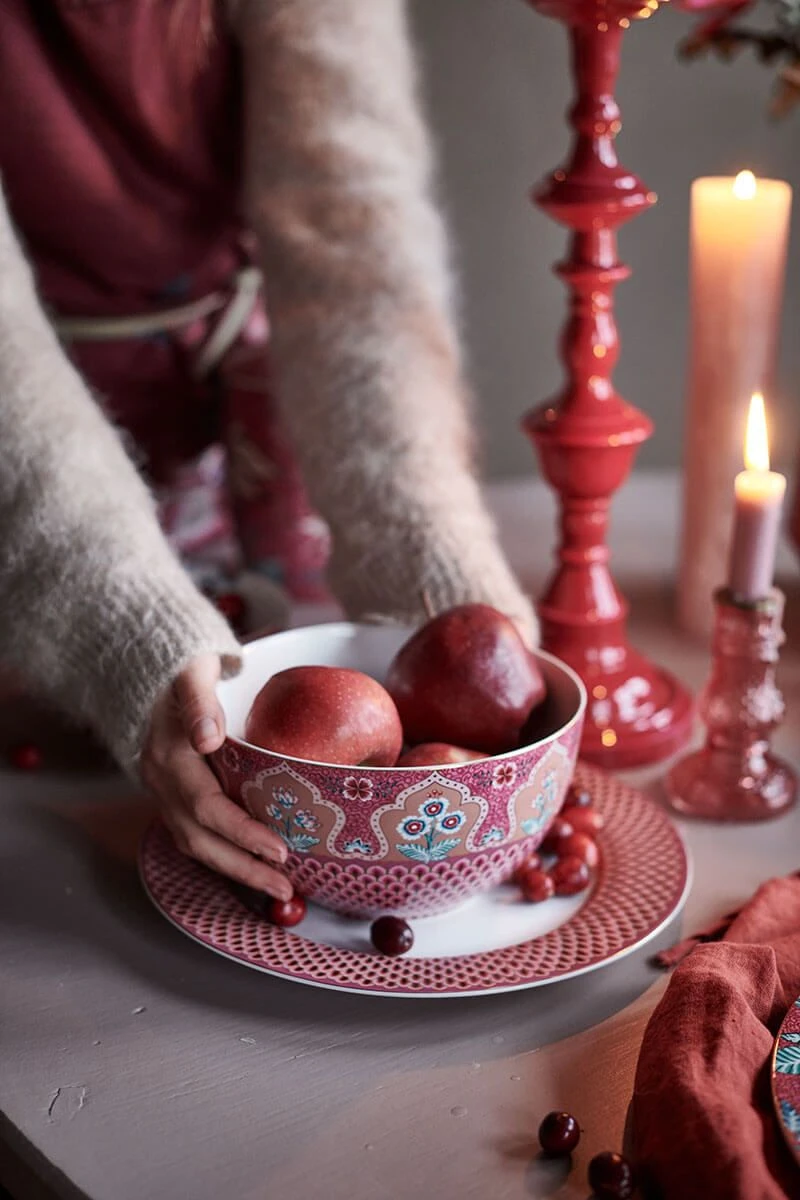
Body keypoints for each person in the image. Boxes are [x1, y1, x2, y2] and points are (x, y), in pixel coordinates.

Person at [0, 0, 535, 900]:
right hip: (33, 489)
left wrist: (438, 586)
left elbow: (351, 236)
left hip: (236, 418)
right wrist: (131, 628)